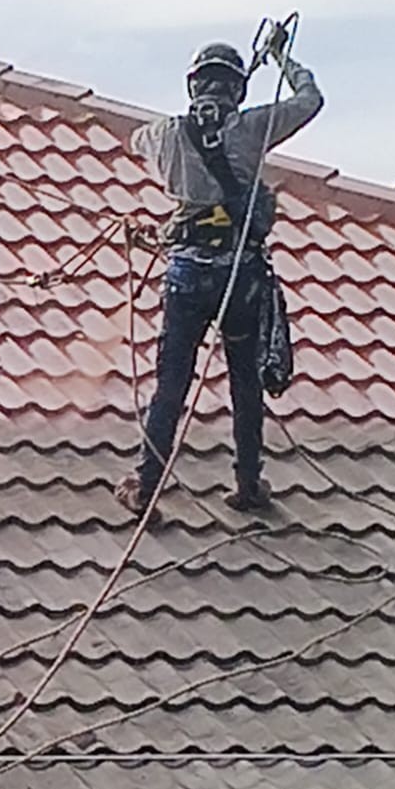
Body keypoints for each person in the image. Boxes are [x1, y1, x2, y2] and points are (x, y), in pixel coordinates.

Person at [114, 31, 323, 521]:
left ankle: (146, 485)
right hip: (240, 275)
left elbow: (135, 140)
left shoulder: (163, 134)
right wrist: (281, 56)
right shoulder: (252, 128)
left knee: (171, 384)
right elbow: (310, 100)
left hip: (187, 273)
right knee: (244, 382)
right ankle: (248, 484)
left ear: (193, 86)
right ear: (238, 89)